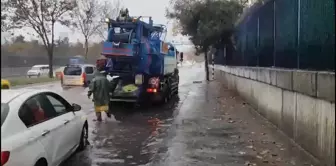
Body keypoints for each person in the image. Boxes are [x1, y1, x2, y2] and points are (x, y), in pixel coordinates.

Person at [88, 56, 112, 121]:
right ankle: (108, 112)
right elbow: (110, 87)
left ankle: (99, 118)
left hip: (97, 96)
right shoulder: (106, 79)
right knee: (104, 104)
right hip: (105, 96)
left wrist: (89, 94)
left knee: (97, 106)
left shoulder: (95, 79)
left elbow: (91, 88)